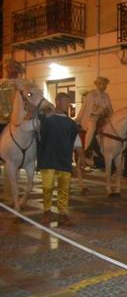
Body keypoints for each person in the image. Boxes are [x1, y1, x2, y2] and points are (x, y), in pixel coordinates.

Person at [38, 93, 80, 226]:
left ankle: (63, 214)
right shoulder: (47, 120)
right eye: (66, 102)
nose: (68, 105)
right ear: (57, 101)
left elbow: (75, 141)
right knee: (47, 187)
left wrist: (81, 156)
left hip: (64, 159)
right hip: (48, 158)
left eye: (69, 103)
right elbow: (40, 139)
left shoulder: (71, 124)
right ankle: (47, 212)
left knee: (64, 188)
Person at [76, 76, 113, 154]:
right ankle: (87, 149)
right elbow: (88, 108)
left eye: (106, 84)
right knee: (92, 128)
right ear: (98, 84)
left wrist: (110, 114)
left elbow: (110, 108)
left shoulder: (106, 95)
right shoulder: (91, 94)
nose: (105, 86)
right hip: (92, 117)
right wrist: (78, 119)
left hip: (104, 118)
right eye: (103, 84)